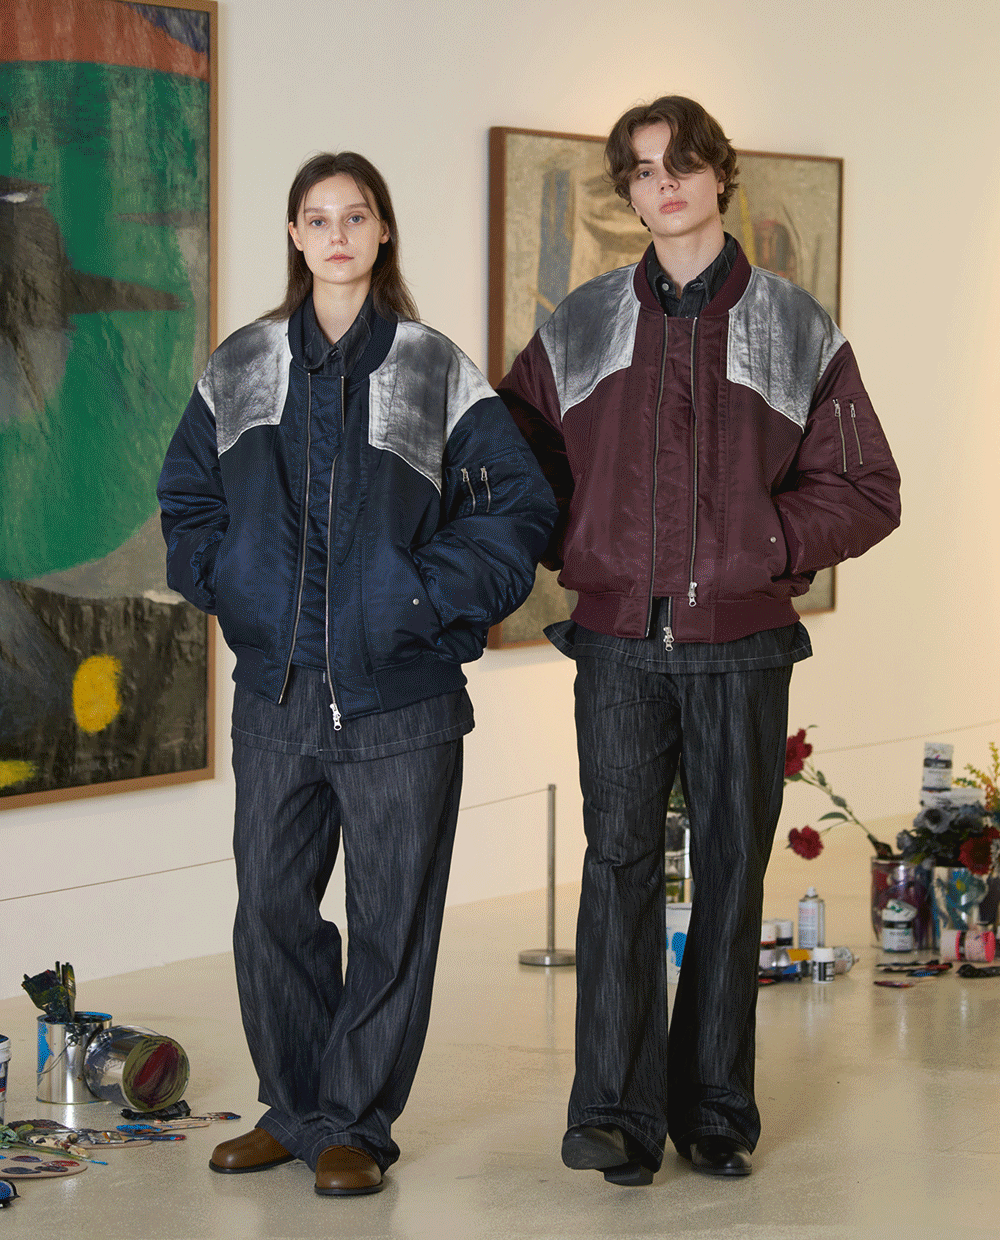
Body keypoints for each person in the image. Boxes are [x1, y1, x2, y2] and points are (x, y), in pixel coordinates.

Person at [498, 96, 900, 1184]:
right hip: (617, 644)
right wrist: (580, 541)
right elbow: (512, 455)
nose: (662, 183)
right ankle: (614, 1114)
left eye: (680, 163)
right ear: (627, 195)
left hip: (741, 643)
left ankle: (715, 1108)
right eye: (640, 171)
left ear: (719, 174)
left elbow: (867, 487)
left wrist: (762, 544)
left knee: (729, 869)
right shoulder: (582, 323)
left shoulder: (796, 326)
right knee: (617, 865)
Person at [158, 152, 556, 1197]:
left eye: (356, 216)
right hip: (277, 696)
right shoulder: (243, 363)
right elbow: (188, 499)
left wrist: (416, 598)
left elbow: (516, 508)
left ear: (383, 233)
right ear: (294, 236)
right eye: (317, 218)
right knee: (270, 911)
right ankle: (294, 1111)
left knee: (390, 922)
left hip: (401, 702)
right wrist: (236, 587)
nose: (337, 235)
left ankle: (354, 1124)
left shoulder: (435, 368)